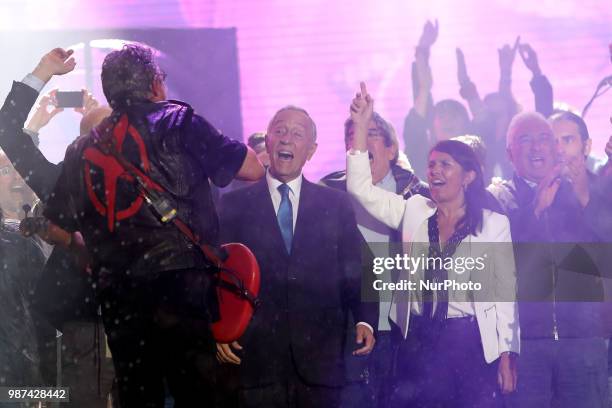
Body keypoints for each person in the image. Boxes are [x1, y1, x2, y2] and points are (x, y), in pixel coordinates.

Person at [35, 46, 263, 407]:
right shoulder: (179, 121)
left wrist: (86, 252)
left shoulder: (80, 148)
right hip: (183, 287)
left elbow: (54, 226)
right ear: (156, 84)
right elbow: (252, 169)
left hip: (120, 297)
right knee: (197, 394)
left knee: (139, 395)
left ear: (111, 93)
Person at [348, 83, 519, 407]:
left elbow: (504, 295)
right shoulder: (414, 209)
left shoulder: (494, 225)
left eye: (445, 165)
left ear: (468, 176)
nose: (435, 171)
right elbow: (359, 188)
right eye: (432, 165)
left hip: (468, 341)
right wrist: (360, 126)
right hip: (418, 340)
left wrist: (508, 353)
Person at [216, 105, 377, 407]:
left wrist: (366, 320)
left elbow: (360, 268)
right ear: (269, 140)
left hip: (321, 361)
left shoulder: (335, 204)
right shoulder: (233, 205)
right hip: (255, 362)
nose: (287, 139)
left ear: (311, 150)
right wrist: (218, 329)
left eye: (297, 134)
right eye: (280, 131)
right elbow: (214, 273)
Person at [0, 70, 117, 406]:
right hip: (78, 335)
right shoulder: (61, 185)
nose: (106, 144)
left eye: (112, 134)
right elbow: (9, 132)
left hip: (144, 330)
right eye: (94, 138)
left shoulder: (152, 186)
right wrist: (41, 73)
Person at [488, 111, 612, 408]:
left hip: (584, 340)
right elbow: (499, 267)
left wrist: (584, 196)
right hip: (526, 345)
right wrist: (535, 210)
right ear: (509, 152)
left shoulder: (583, 193)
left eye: (544, 139)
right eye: (525, 140)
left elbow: (603, 256)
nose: (536, 147)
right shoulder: (497, 199)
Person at [321, 111, 428, 408]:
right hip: (349, 327)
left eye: (370, 133)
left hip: (404, 330)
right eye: (352, 136)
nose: (359, 142)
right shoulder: (327, 194)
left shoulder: (418, 197)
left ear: (392, 149)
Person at [402, 20, 471, 179]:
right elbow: (421, 102)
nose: (448, 120)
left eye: (454, 115)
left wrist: (466, 83)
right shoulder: (420, 157)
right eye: (441, 115)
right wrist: (422, 51)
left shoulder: (477, 159)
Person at [0, 205, 46, 401]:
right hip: (17, 355)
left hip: (15, 354)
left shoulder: (20, 240)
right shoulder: (20, 239)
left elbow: (42, 296)